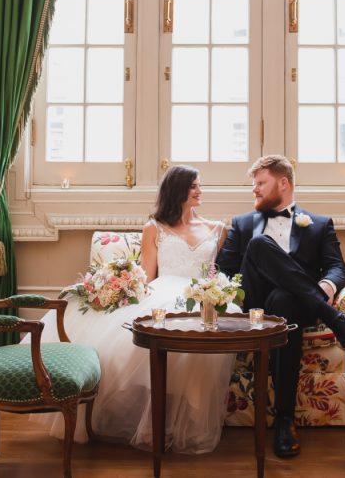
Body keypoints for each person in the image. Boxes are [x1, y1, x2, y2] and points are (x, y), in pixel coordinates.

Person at [29, 164, 236, 454]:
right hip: (162, 292)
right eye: (194, 186)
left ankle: (186, 422)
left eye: (200, 185)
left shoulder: (217, 229)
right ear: (177, 191)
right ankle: (152, 424)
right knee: (137, 341)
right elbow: (148, 276)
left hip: (200, 296)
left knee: (198, 340)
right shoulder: (154, 227)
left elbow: (214, 273)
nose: (200, 191)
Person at [216, 154, 345, 458]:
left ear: (283, 183)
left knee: (284, 299)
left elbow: (339, 269)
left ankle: (284, 420)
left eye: (261, 183)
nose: (255, 190)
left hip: (293, 307)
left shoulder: (319, 224)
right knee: (259, 245)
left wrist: (326, 285)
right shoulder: (243, 224)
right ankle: (336, 320)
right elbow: (223, 269)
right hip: (255, 302)